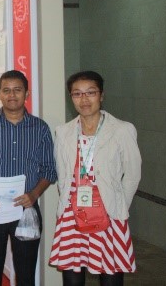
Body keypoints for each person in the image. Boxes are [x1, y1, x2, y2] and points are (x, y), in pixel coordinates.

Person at [0, 69, 57, 286]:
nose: (12, 95)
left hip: (27, 209)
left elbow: (49, 170)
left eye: (17, 90)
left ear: (27, 93)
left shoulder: (40, 128)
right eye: (6, 90)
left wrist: (34, 194)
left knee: (26, 275)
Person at [49, 71, 141, 286]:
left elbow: (133, 175)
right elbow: (62, 175)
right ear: (71, 97)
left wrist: (118, 206)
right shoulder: (63, 132)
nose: (84, 99)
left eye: (90, 92)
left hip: (109, 212)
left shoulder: (122, 130)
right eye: (77, 94)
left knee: (110, 274)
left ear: (101, 95)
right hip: (73, 213)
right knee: (72, 276)